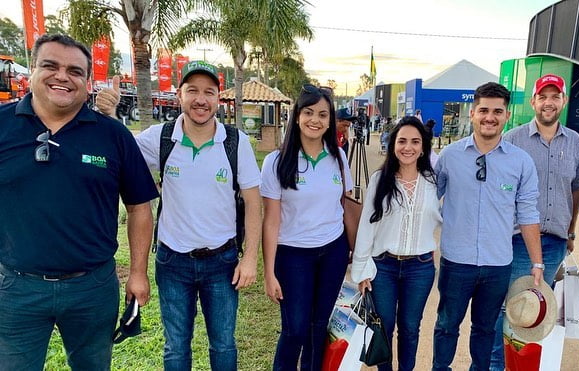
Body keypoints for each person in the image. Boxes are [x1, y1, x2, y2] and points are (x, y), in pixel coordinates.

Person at [0, 34, 158, 370]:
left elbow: (139, 207)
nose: (62, 76)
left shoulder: (113, 136)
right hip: (16, 288)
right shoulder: (2, 125)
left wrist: (139, 273)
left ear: (86, 82)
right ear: (32, 70)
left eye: (74, 71)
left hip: (92, 287)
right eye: (50, 66)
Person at [96, 61, 262, 370]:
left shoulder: (235, 142)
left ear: (218, 98)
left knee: (224, 344)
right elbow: (118, 147)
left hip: (222, 263)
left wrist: (250, 257)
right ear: (179, 95)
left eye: (209, 92)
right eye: (193, 91)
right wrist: (109, 115)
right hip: (173, 263)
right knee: (176, 347)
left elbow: (253, 201)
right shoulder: (159, 138)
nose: (201, 99)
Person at [432, 82, 544, 370]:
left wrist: (537, 262)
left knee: (485, 330)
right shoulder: (449, 157)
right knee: (446, 326)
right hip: (457, 262)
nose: (489, 117)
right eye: (483, 110)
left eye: (497, 111)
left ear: (507, 115)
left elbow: (528, 213)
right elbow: (427, 202)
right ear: (472, 113)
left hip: (497, 264)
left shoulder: (521, 162)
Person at [490, 73, 579, 370]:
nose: (548, 102)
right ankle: (498, 364)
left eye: (554, 96)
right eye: (542, 97)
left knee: (538, 312)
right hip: (519, 240)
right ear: (533, 101)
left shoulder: (574, 142)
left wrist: (570, 231)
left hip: (556, 241)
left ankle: (523, 365)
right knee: (513, 308)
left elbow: (577, 188)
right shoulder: (513, 140)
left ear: (563, 101)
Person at [261, 84, 353, 370]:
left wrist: (355, 253)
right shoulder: (276, 161)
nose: (315, 120)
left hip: (333, 252)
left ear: (330, 120)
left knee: (319, 327)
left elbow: (346, 206)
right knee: (295, 329)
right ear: (297, 116)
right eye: (309, 112)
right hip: (293, 256)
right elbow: (271, 219)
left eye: (323, 115)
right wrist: (269, 272)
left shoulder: (338, 158)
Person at [352, 116, 441, 371]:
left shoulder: (434, 182)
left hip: (420, 268)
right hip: (384, 267)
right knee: (385, 326)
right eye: (402, 141)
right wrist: (361, 270)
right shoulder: (381, 179)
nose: (408, 147)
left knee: (411, 327)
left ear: (423, 147)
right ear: (393, 145)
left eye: (415, 141)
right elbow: (367, 226)